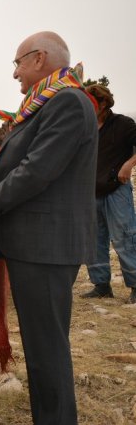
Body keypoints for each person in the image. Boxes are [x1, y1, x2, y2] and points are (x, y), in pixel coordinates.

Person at [0, 31, 98, 425]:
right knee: (44, 346)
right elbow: (10, 167)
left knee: (47, 350)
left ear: (38, 58)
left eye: (16, 63)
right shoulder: (48, 104)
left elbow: (37, 170)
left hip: (44, 246)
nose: (14, 73)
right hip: (38, 245)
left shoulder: (66, 102)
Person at [81, 84, 136, 302]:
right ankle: (101, 285)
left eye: (90, 102)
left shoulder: (123, 123)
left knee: (125, 237)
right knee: (94, 239)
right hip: (90, 191)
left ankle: (135, 286)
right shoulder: (84, 127)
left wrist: (129, 164)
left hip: (117, 189)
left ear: (103, 103)